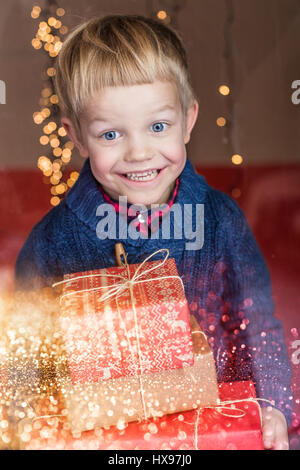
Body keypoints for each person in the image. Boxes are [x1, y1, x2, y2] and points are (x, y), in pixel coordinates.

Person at [15, 14, 292, 449]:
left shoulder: (221, 220)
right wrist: (26, 425)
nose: (139, 152)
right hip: (105, 437)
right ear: (77, 137)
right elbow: (27, 354)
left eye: (158, 126)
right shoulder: (49, 244)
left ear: (187, 120)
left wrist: (273, 403)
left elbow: (255, 322)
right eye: (110, 134)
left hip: (211, 428)